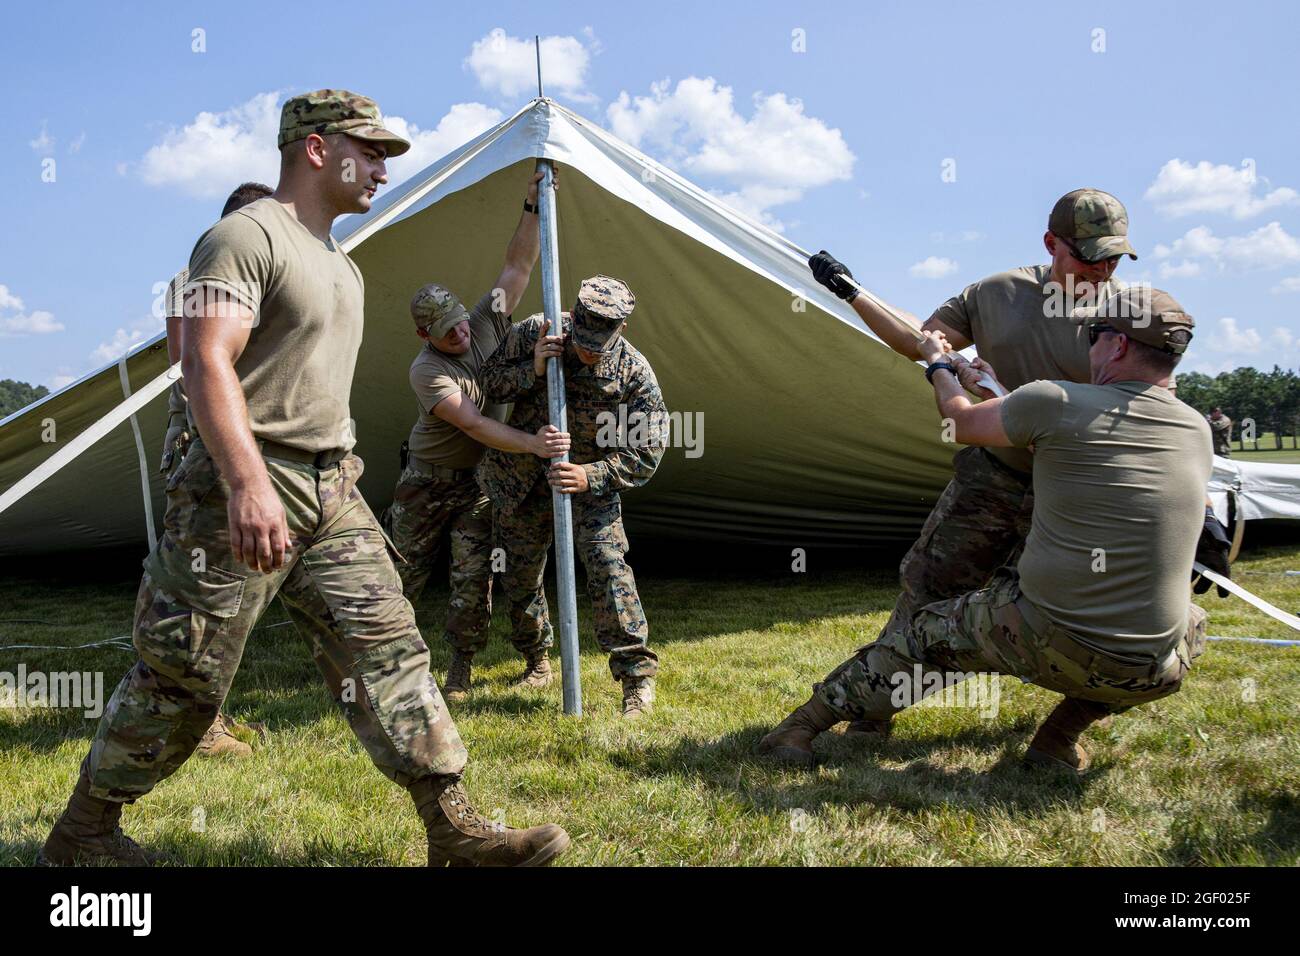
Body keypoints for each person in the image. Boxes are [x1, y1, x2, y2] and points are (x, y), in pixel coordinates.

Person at [39, 90, 568, 868]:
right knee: (185, 677)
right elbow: (203, 359)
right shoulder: (243, 237)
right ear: (316, 148)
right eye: (372, 150)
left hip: (331, 487)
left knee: (390, 650)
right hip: (239, 486)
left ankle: (451, 829)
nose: (384, 167)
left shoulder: (340, 264)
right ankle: (83, 835)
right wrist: (250, 484)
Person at [807, 188, 1228, 736]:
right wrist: (854, 293)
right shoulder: (998, 293)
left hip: (1077, 495)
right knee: (931, 586)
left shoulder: (1132, 316)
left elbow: (1159, 417)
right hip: (995, 476)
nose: (1102, 269)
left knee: (1098, 614)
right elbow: (925, 342)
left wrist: (1203, 505)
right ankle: (872, 709)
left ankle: (1061, 732)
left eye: (1114, 257)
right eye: (1089, 255)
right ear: (1052, 242)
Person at [758, 287, 1211, 775]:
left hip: (1043, 638)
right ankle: (1058, 739)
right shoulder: (1195, 429)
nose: (1090, 348)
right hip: (1149, 670)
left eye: (1095, 336)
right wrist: (997, 388)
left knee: (924, 633)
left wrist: (938, 365)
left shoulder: (1057, 401)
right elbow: (1076, 443)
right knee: (1194, 623)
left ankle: (801, 727)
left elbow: (961, 423)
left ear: (1118, 345)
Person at [382, 169, 570, 702]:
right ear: (425, 336)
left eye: (463, 322)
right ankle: (382, 666)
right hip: (423, 483)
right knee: (403, 576)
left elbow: (518, 264)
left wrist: (533, 206)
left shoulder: (485, 322)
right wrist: (532, 443)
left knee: (472, 580)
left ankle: (461, 668)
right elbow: (475, 424)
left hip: (476, 484)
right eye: (448, 332)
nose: (462, 333)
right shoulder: (426, 371)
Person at [477, 276, 666, 717]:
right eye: (580, 343)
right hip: (523, 478)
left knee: (609, 569)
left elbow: (646, 450)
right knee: (520, 575)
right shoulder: (535, 332)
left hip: (590, 487)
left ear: (620, 331)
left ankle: (635, 678)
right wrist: (535, 369)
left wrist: (590, 474)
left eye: (595, 349)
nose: (585, 353)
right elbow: (488, 383)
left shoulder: (633, 374)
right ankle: (536, 658)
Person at [160, 180, 273, 758]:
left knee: (225, 585)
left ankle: (206, 713)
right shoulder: (199, 280)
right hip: (202, 443)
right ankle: (197, 725)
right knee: (199, 587)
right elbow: (191, 362)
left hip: (222, 439)